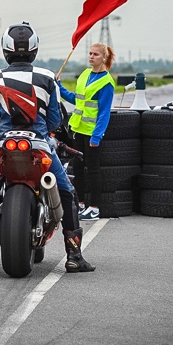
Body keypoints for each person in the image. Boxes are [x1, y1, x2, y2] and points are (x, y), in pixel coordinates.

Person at [0, 21, 95, 273]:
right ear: (34, 50)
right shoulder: (46, 77)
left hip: (4, 145)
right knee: (67, 192)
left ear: (5, 50)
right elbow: (56, 120)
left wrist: (0, 123)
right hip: (39, 145)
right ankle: (74, 256)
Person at [58, 42, 116, 222]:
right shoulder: (84, 74)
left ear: (104, 58)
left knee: (93, 170)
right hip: (77, 129)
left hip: (92, 133)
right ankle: (81, 203)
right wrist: (59, 87)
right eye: (90, 53)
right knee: (78, 169)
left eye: (96, 54)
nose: (91, 57)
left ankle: (94, 208)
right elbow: (77, 100)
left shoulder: (107, 83)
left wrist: (97, 136)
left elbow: (104, 113)